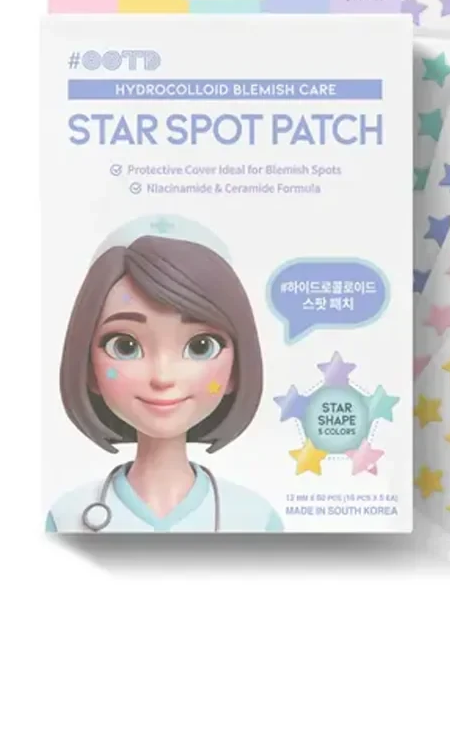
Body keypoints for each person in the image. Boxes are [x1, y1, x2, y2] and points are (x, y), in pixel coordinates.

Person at [46, 215, 282, 532]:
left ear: (236, 371)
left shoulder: (253, 519)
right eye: (125, 346)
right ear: (89, 369)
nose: (162, 376)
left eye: (200, 346)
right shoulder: (68, 517)